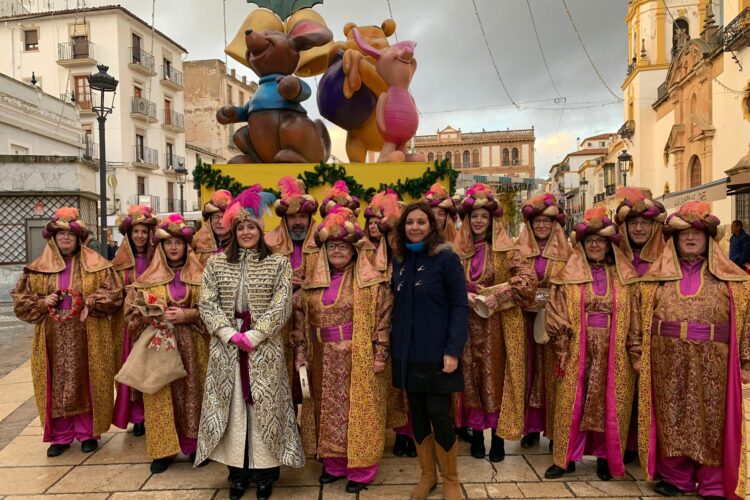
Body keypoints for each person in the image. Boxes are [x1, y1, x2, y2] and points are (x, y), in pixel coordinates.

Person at [636, 202, 750, 499]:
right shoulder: (654, 281)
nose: (689, 238)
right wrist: (637, 353)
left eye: (696, 233)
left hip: (715, 359)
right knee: (670, 414)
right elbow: (636, 319)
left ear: (708, 238)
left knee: (711, 419)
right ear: (673, 239)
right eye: (683, 232)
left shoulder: (734, 282)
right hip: (665, 357)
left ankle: (712, 482)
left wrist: (746, 361)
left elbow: (747, 321)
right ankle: (676, 477)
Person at [196, 186, 304, 500]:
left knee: (264, 409)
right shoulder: (216, 264)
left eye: (251, 227)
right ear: (233, 230)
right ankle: (238, 474)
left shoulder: (278, 263)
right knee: (234, 411)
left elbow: (283, 303)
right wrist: (229, 334)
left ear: (260, 230)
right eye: (240, 227)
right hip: (226, 348)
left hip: (264, 348)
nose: (245, 232)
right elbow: (207, 303)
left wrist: (255, 335)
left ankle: (266, 474)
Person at [291, 206, 392, 493]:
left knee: (358, 410)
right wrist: (301, 354)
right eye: (332, 246)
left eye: (342, 246)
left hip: (357, 355)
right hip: (322, 356)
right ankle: (334, 464)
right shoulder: (311, 286)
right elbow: (300, 320)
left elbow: (383, 318)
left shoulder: (371, 283)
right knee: (327, 409)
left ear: (353, 250)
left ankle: (361, 469)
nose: (337, 251)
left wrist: (380, 353)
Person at [12, 208, 123, 456]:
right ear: (52, 238)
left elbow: (114, 294)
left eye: (69, 235)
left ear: (78, 238)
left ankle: (88, 433)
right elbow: (21, 301)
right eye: (60, 234)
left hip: (88, 332)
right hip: (51, 335)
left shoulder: (98, 266)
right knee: (56, 381)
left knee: (88, 378)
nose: (64, 239)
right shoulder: (36, 269)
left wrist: (90, 301)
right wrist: (42, 302)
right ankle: (60, 436)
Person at [544, 207, 640, 481]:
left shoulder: (625, 278)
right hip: (576, 349)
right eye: (590, 241)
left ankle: (605, 457)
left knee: (608, 403)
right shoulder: (566, 277)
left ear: (610, 245)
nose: (595, 245)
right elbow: (556, 311)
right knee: (570, 402)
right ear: (582, 245)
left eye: (601, 240)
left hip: (614, 351)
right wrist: (562, 347)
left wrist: (635, 352)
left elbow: (634, 318)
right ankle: (564, 459)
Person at [390, 201, 469, 500]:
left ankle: (451, 478)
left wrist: (453, 349)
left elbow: (460, 305)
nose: (415, 227)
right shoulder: (399, 259)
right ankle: (427, 476)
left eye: (421, 222)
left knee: (439, 414)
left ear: (431, 226)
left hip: (437, 352)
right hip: (406, 353)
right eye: (410, 222)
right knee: (418, 415)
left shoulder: (446, 259)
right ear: (403, 227)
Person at [453, 183, 536, 462]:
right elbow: (443, 284)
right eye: (473, 216)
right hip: (465, 326)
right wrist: (459, 293)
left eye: (483, 217)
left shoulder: (507, 251)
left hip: (497, 328)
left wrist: (499, 295)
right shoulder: (456, 253)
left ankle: (498, 440)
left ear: (491, 220)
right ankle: (476, 434)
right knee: (470, 379)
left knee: (497, 380)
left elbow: (528, 280)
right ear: (467, 220)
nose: (478, 221)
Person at [125, 214, 208, 473]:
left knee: (195, 392)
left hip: (194, 344)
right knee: (160, 392)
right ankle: (163, 450)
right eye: (168, 243)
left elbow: (216, 310)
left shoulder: (202, 276)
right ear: (160, 247)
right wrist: (151, 313)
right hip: (159, 346)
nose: (173, 247)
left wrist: (189, 314)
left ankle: (195, 446)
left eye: (178, 243)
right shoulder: (146, 280)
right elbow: (130, 315)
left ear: (186, 246)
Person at [612, 187, 666, 464]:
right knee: (622, 390)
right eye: (634, 224)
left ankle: (645, 446)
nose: (640, 228)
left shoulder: (666, 259)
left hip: (653, 335)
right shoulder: (614, 256)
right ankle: (624, 443)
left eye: (645, 223)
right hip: (618, 334)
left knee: (650, 392)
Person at [514, 193, 571, 450]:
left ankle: (555, 429)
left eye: (547, 222)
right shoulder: (518, 252)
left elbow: (569, 287)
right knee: (527, 371)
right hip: (524, 320)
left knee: (554, 375)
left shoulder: (568, 255)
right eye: (537, 221)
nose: (541, 226)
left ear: (554, 225)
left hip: (555, 321)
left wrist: (542, 298)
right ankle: (530, 428)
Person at [363, 190, 414, 457]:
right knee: (390, 381)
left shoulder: (410, 257)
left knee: (408, 380)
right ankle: (391, 431)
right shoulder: (369, 256)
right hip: (382, 325)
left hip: (409, 325)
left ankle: (409, 433)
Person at [264, 176, 319, 404]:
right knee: (282, 376)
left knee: (313, 377)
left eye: (302, 216)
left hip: (312, 320)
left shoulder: (323, 242)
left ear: (309, 217)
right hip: (281, 323)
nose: (298, 222)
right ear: (285, 219)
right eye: (292, 217)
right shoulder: (268, 243)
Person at [111, 205, 157, 436]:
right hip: (128, 325)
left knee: (153, 367)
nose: (140, 236)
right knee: (132, 367)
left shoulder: (158, 260)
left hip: (153, 323)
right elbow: (110, 292)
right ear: (129, 234)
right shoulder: (118, 266)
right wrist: (124, 292)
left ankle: (153, 413)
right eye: (135, 231)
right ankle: (137, 415)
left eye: (143, 231)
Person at [193, 189, 234, 266]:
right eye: (216, 217)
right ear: (209, 220)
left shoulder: (240, 244)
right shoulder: (196, 243)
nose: (220, 221)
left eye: (225, 217)